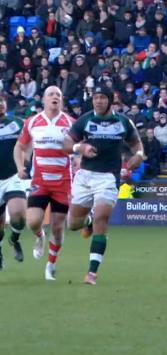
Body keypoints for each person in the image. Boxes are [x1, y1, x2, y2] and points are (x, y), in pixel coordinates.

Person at [63, 86, 144, 285]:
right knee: (73, 225)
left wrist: (139, 156)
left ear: (110, 100)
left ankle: (92, 273)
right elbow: (66, 145)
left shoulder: (123, 122)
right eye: (95, 97)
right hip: (85, 177)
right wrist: (79, 147)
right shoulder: (85, 120)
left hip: (108, 178)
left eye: (102, 98)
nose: (98, 101)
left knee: (102, 219)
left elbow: (137, 145)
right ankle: (87, 221)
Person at [13, 86, 74, 280]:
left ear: (62, 101)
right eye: (51, 94)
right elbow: (20, 147)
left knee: (57, 227)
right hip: (39, 181)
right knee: (32, 222)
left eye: (58, 95)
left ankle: (50, 266)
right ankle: (39, 236)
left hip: (63, 182)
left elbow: (78, 152)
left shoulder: (71, 123)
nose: (55, 97)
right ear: (44, 100)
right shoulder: (32, 122)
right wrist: (20, 167)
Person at [0, 97, 27, 268]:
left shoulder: (17, 123)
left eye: (1, 101)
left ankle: (14, 239)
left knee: (18, 215)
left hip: (12, 176)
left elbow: (27, 143)